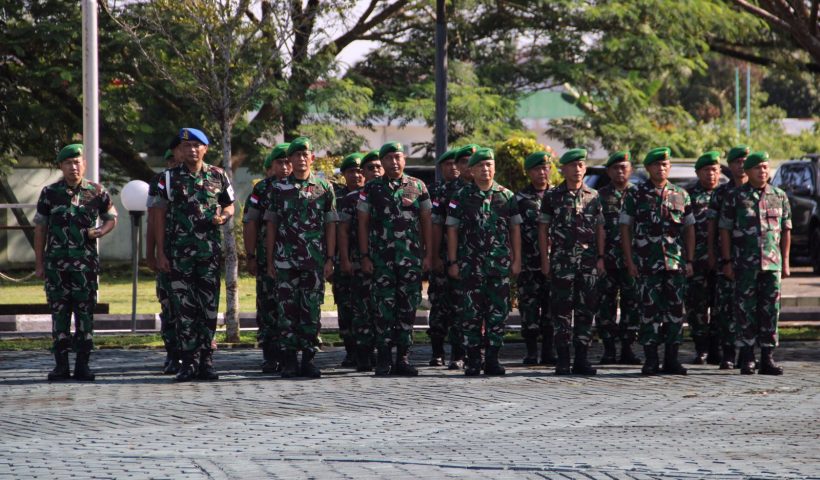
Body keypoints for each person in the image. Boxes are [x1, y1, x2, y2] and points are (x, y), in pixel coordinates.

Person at [154, 128, 235, 382]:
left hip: (208, 255)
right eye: (186, 146)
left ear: (205, 149)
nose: (191, 150)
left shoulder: (218, 175)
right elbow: (158, 215)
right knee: (184, 310)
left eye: (196, 145)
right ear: (180, 150)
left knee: (209, 308)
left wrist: (224, 216)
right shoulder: (168, 178)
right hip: (179, 256)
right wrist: (160, 252)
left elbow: (230, 204)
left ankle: (206, 361)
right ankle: (188, 361)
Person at [34, 143, 118, 381]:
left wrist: (101, 231)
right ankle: (61, 366)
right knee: (59, 314)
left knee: (85, 315)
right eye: (68, 163)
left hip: (85, 267)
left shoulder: (97, 191)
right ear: (61, 166)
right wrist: (39, 263)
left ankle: (83, 365)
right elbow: (40, 228)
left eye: (77, 162)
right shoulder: (50, 193)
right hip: (57, 267)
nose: (73, 167)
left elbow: (112, 218)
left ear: (85, 165)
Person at [358, 141, 433, 376]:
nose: (394, 162)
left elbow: (426, 220)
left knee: (407, 308)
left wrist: (428, 254)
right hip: (382, 261)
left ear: (404, 159)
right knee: (383, 309)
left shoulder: (418, 186)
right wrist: (364, 256)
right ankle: (383, 358)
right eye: (389, 158)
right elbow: (362, 223)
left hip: (410, 260)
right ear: (382, 161)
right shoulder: (371, 189)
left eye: (398, 157)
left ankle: (403, 357)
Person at [265, 137, 337, 378]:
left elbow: (330, 225)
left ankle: (308, 358)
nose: (301, 159)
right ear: (290, 159)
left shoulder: (324, 187)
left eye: (305, 154)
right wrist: (270, 259)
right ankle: (288, 360)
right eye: (296, 155)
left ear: (312, 158)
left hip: (314, 261)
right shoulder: (278, 189)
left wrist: (330, 258)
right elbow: (271, 225)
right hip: (285, 259)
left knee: (311, 309)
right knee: (286, 311)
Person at [446, 147, 521, 376]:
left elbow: (514, 229)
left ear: (494, 168)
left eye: (489, 164)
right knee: (471, 314)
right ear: (472, 170)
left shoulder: (506, 196)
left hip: (498, 266)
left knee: (498, 314)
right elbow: (452, 230)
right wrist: (453, 261)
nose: (485, 169)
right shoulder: (461, 196)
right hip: (470, 266)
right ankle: (473, 359)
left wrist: (517, 259)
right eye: (480, 165)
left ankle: (492, 359)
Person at [620, 147, 694, 375]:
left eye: (665, 164)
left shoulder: (681, 194)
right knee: (648, 312)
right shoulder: (636, 194)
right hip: (646, 263)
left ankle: (672, 359)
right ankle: (651, 359)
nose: (661, 168)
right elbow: (625, 228)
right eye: (656, 165)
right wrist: (630, 260)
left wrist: (690, 260)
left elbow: (689, 228)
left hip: (675, 263)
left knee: (675, 313)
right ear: (648, 168)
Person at [719, 151, 790, 375]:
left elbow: (786, 230)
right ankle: (747, 357)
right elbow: (725, 230)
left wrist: (785, 262)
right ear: (748, 171)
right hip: (744, 264)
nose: (763, 171)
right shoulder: (735, 196)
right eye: (758, 167)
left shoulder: (779, 195)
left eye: (765, 167)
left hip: (772, 263)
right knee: (744, 309)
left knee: (771, 310)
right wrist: (727, 261)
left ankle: (767, 357)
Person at [538, 148, 604, 375]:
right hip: (561, 263)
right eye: (573, 165)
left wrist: (601, 257)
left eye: (581, 165)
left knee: (586, 311)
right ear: (563, 169)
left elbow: (600, 228)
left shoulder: (594, 196)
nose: (577, 169)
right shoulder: (552, 196)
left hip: (588, 263)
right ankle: (563, 359)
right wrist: (545, 259)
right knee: (561, 312)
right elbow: (543, 229)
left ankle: (582, 359)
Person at [242, 143, 291, 373]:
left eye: (288, 162)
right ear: (271, 166)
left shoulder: (305, 187)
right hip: (267, 259)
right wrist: (251, 256)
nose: (285, 167)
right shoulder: (262, 189)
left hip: (299, 259)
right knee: (268, 306)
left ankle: (292, 353)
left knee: (295, 307)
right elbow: (250, 222)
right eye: (280, 162)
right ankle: (270, 354)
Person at [595, 151, 642, 365]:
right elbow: (595, 228)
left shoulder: (640, 195)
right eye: (615, 168)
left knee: (632, 304)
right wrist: (599, 257)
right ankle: (609, 349)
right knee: (606, 305)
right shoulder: (599, 196)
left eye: (624, 167)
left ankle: (628, 348)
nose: (620, 171)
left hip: (633, 260)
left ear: (630, 170)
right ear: (608, 171)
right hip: (608, 260)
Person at [707, 145, 750, 369]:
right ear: (730, 166)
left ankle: (747, 353)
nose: (741, 166)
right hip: (728, 258)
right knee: (725, 307)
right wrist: (713, 254)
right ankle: (729, 352)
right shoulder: (721, 193)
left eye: (745, 162)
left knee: (750, 308)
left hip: (753, 260)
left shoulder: (761, 191)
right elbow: (712, 226)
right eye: (737, 162)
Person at [515, 151, 555, 365]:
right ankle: (531, 352)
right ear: (529, 172)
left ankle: (549, 351)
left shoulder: (558, 196)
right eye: (537, 169)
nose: (542, 173)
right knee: (529, 308)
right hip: (529, 263)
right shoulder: (519, 199)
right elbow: (513, 231)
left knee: (551, 308)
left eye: (545, 168)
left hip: (555, 262)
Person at [146, 141, 182, 374]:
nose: (174, 163)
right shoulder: (160, 182)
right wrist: (150, 253)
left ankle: (196, 353)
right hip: (168, 256)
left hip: (193, 256)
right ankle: (173, 354)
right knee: (169, 307)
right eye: (170, 160)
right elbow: (152, 220)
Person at [685, 151, 721, 364]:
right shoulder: (688, 195)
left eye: (714, 170)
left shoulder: (726, 194)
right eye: (706, 170)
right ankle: (701, 348)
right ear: (698, 173)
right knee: (696, 307)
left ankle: (716, 348)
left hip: (721, 261)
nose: (711, 174)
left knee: (720, 307)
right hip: (696, 261)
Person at [426, 148, 459, 367]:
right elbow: (431, 225)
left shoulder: (468, 190)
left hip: (465, 258)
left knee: (461, 307)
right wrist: (433, 255)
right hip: (441, 256)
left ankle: (459, 353)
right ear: (441, 168)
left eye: (457, 163)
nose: (454, 168)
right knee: (438, 304)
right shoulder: (434, 191)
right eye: (448, 164)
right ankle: (437, 351)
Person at [332, 153, 365, 368]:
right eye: (351, 171)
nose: (357, 175)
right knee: (345, 307)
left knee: (366, 307)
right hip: (342, 261)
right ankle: (351, 350)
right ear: (344, 174)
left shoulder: (370, 195)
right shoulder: (335, 197)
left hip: (366, 261)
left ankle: (366, 350)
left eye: (360, 171)